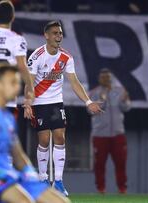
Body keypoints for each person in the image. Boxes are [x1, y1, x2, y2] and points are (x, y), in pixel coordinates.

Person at [0, 63, 70, 203]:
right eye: (13, 82)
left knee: (62, 202)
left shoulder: (8, 118)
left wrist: (30, 174)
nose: (18, 87)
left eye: (18, 83)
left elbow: (17, 154)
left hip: (10, 175)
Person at [27, 21, 103, 196]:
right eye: (55, 33)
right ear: (46, 35)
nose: (58, 36)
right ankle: (43, 178)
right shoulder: (36, 56)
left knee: (60, 137)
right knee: (44, 140)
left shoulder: (66, 57)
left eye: (60, 33)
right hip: (39, 102)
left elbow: (74, 82)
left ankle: (59, 181)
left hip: (55, 102)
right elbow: (29, 83)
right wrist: (28, 102)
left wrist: (88, 102)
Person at [88, 68, 131, 194]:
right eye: (103, 77)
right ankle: (101, 189)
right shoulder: (93, 93)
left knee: (121, 162)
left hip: (118, 134)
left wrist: (124, 101)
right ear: (99, 79)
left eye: (107, 77)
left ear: (110, 78)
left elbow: (126, 108)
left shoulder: (119, 90)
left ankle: (122, 189)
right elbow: (90, 111)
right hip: (100, 135)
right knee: (99, 164)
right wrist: (102, 101)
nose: (106, 79)